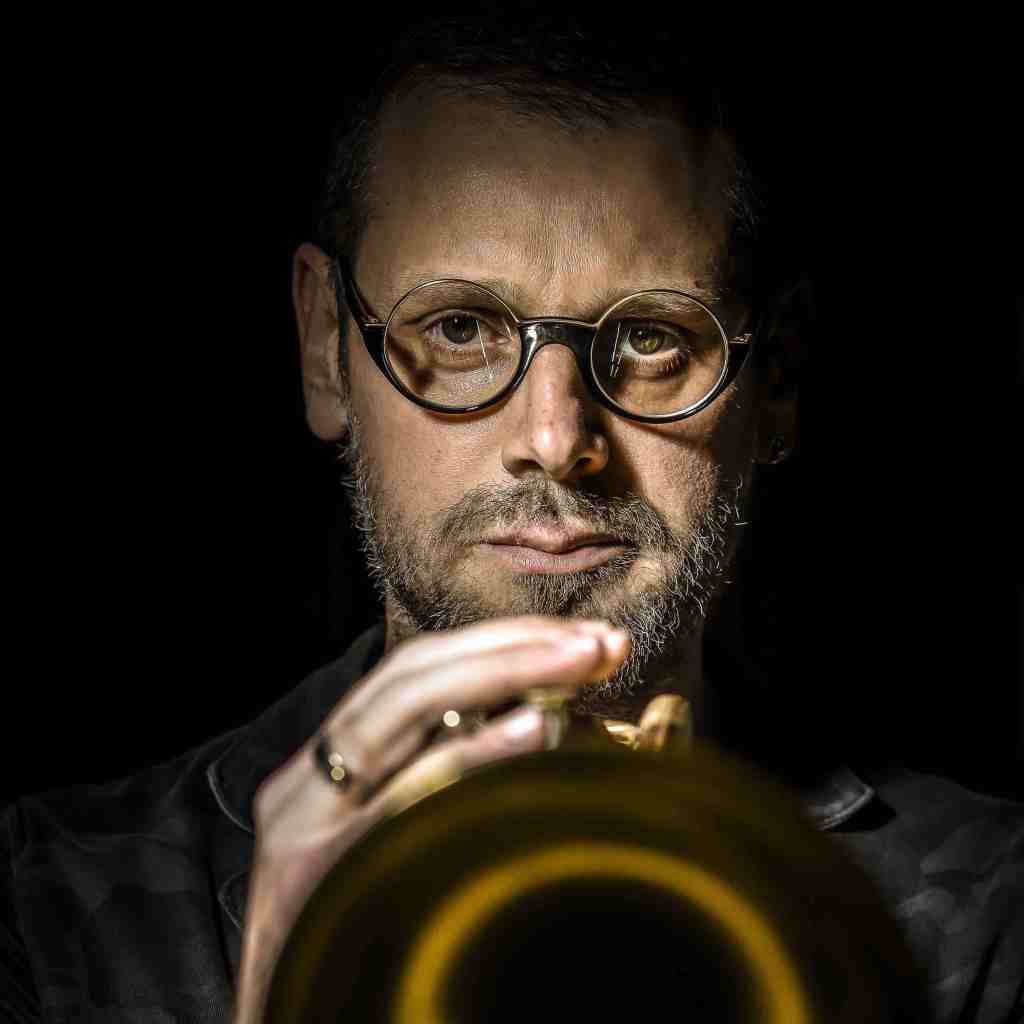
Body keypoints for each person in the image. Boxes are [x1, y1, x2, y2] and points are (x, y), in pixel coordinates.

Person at [3, 13, 1021, 1024]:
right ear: (324, 347)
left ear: (779, 381)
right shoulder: (41, 912)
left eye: (653, 338)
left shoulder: (998, 911)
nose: (554, 437)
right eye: (459, 328)